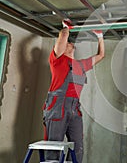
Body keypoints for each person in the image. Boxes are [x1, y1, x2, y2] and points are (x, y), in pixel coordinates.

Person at [42, 19, 105, 162]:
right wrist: (66, 28)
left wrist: (100, 37)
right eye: (67, 43)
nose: (70, 43)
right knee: (54, 148)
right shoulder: (57, 61)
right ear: (62, 49)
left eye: (70, 42)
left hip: (75, 109)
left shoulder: (80, 65)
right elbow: (63, 36)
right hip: (57, 108)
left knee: (77, 147)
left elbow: (101, 55)